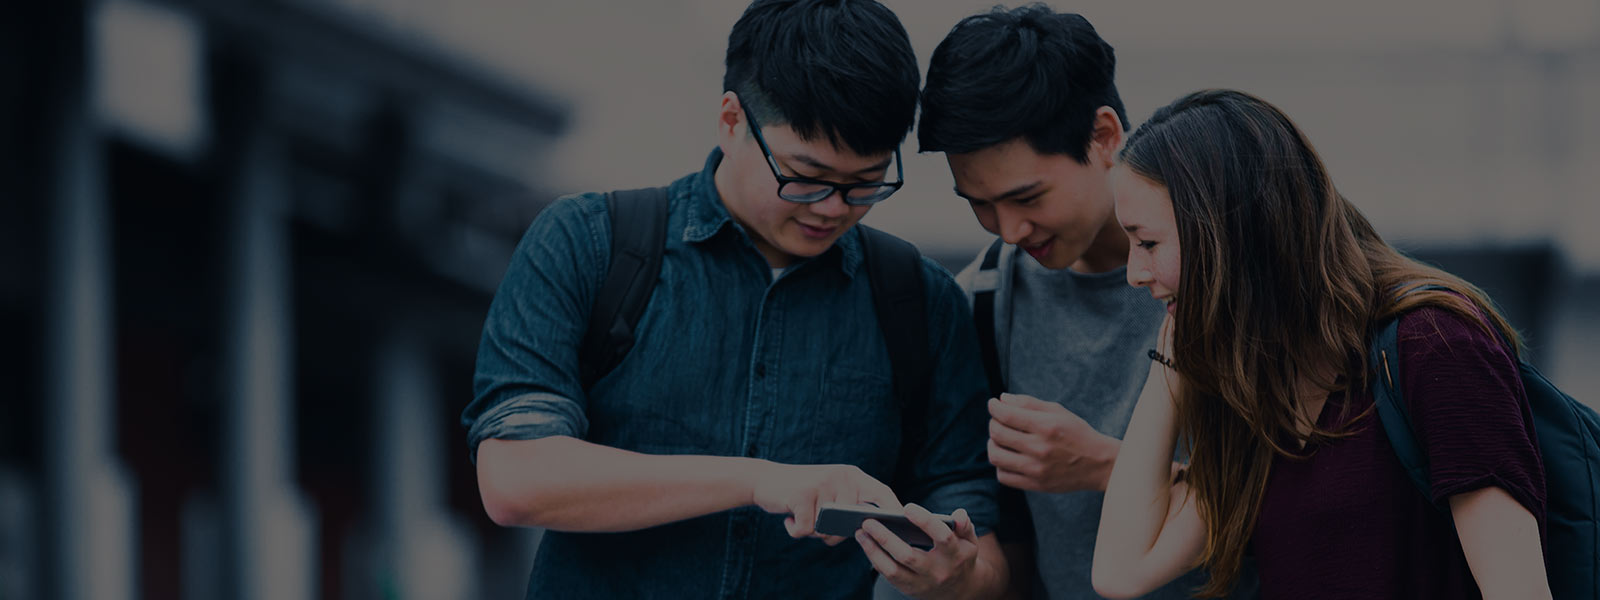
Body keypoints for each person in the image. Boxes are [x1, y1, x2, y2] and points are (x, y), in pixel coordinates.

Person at [460, 1, 1011, 598]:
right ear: (731, 120)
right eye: (805, 174)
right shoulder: (588, 244)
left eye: (866, 182)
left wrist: (957, 578)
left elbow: (988, 555)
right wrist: (758, 481)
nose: (832, 207)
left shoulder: (921, 302)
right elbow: (515, 479)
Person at [1094, 89, 1550, 599]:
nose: (1134, 274)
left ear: (1231, 232)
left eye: (1148, 243)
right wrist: (1173, 355)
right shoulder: (1256, 379)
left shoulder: (1436, 347)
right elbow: (1120, 571)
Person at [918, 6, 1255, 598]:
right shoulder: (980, 300)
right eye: (979, 204)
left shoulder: (1225, 272)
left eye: (1027, 196)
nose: (1009, 228)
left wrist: (1105, 466)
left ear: (1104, 137)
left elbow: (1305, 491)